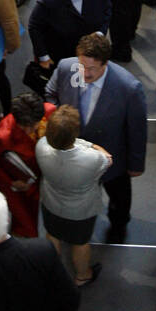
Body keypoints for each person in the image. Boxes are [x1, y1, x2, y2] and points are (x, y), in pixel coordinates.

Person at [44, 33, 146, 244]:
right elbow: (50, 93)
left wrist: (136, 163)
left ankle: (119, 224)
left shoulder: (128, 88)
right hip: (75, 153)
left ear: (105, 64)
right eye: (82, 65)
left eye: (92, 68)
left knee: (118, 197)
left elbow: (136, 129)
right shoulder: (66, 67)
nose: (85, 73)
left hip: (111, 157)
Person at [35, 104, 111, 287]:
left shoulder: (41, 146)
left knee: (52, 235)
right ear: (75, 134)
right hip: (80, 211)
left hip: (51, 203)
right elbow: (107, 158)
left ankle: (51, 269)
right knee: (80, 242)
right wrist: (91, 144)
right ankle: (83, 275)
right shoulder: (92, 159)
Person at [0, 90, 54, 238]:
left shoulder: (51, 112)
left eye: (34, 125)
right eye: (25, 127)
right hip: (22, 186)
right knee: (27, 226)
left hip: (47, 177)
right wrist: (12, 183)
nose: (31, 130)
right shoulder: (4, 135)